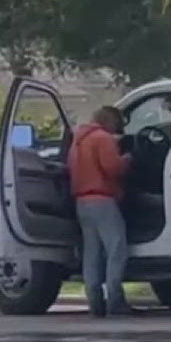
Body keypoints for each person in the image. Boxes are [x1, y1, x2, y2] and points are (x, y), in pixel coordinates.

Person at [70, 105, 135, 317]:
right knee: (116, 248)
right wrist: (126, 160)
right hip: (102, 200)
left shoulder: (78, 141)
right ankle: (115, 300)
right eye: (118, 125)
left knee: (92, 253)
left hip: (82, 202)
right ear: (109, 121)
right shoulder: (102, 138)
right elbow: (112, 168)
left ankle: (95, 301)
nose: (119, 131)